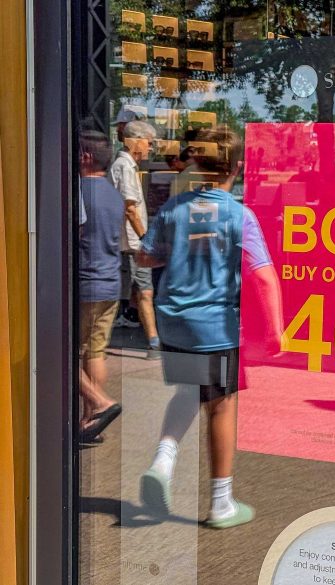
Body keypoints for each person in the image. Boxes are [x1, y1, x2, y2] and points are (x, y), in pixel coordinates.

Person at [135, 126, 283, 529]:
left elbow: (146, 257)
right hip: (215, 327)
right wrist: (276, 329)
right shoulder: (239, 215)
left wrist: (176, 251)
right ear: (237, 167)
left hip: (174, 323)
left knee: (188, 390)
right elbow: (263, 276)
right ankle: (221, 503)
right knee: (221, 405)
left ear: (198, 164)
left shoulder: (174, 209)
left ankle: (162, 461)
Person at [78, 130, 125, 443]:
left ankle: (99, 403)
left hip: (85, 284)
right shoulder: (114, 194)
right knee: (94, 352)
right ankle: (89, 423)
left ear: (85, 157)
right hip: (110, 284)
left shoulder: (77, 190)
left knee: (60, 352)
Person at [109, 120, 161, 358]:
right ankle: (154, 343)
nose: (150, 148)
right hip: (131, 244)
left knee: (138, 291)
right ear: (136, 141)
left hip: (128, 243)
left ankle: (153, 342)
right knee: (143, 291)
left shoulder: (125, 166)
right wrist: (145, 239)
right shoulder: (125, 167)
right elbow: (130, 209)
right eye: (149, 143)